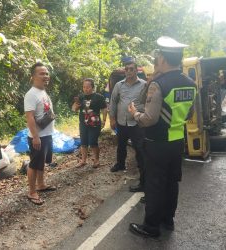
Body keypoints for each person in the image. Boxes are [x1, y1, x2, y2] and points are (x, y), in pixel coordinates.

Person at [128, 36, 196, 238]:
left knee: (155, 184)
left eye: (158, 56)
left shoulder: (159, 84)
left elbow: (149, 119)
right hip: (177, 141)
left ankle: (151, 227)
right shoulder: (190, 83)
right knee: (171, 182)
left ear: (163, 59)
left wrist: (134, 114)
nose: (156, 59)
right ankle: (168, 220)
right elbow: (190, 114)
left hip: (157, 143)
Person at [109, 61, 146, 193]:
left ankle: (143, 178)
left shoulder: (144, 85)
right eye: (127, 69)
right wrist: (112, 119)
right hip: (121, 121)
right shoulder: (119, 85)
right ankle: (120, 164)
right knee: (121, 145)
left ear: (137, 70)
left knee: (140, 149)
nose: (129, 71)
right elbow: (113, 102)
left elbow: (148, 101)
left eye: (131, 69)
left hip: (137, 123)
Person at [24, 62, 56, 206]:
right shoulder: (31, 94)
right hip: (38, 137)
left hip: (47, 134)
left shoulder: (42, 91)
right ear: (33, 77)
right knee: (34, 164)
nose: (45, 76)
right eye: (41, 73)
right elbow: (29, 117)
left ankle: (41, 184)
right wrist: (35, 136)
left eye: (46, 73)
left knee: (42, 162)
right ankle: (31, 192)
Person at [72, 78, 107, 168]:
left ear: (92, 87)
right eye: (84, 87)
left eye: (88, 87)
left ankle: (97, 160)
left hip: (95, 123)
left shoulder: (99, 97)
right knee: (83, 142)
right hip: (83, 123)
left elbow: (104, 108)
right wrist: (76, 106)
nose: (85, 89)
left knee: (93, 142)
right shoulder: (81, 97)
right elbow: (73, 109)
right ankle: (83, 160)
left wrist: (104, 120)